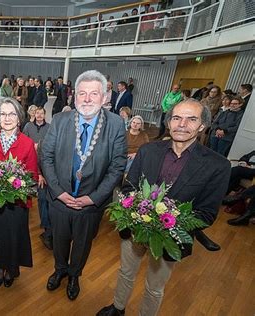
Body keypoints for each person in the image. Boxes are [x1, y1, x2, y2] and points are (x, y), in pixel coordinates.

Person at [97, 98, 231, 316]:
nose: (182, 124)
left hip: (169, 239)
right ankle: (118, 307)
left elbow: (206, 214)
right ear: (169, 122)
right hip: (134, 230)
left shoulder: (217, 166)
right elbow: (129, 187)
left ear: (202, 126)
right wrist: (137, 214)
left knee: (154, 287)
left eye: (191, 119)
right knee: (125, 272)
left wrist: (166, 224)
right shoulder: (148, 150)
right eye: (177, 118)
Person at [41, 70, 127, 301]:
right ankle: (60, 270)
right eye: (82, 93)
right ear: (74, 96)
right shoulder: (60, 120)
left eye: (93, 93)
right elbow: (46, 157)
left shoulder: (116, 124)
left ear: (104, 97)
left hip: (91, 205)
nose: (87, 99)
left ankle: (74, 275)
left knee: (82, 244)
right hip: (60, 202)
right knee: (58, 241)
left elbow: (117, 168)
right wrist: (58, 192)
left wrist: (94, 197)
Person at [0, 97, 39, 288]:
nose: (7, 118)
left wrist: (15, 187)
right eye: (3, 114)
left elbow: (32, 177)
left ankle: (11, 267)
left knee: (13, 237)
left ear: (19, 118)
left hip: (16, 204)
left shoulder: (28, 143)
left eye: (11, 113)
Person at [23, 107, 52, 249]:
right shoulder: (28, 126)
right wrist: (32, 147)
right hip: (29, 163)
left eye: (42, 113)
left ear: (45, 115)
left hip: (44, 165)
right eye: (37, 113)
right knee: (40, 195)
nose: (39, 115)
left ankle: (47, 229)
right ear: (34, 114)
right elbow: (22, 142)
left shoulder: (50, 128)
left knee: (44, 197)